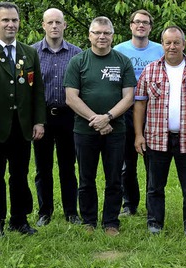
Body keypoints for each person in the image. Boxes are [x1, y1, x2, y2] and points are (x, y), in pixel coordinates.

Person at [0, 1, 46, 236]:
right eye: (5, 20)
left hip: (22, 127)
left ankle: (19, 219)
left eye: (14, 20)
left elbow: (38, 90)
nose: (10, 24)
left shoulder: (29, 52)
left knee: (20, 175)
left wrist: (39, 121)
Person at [133, 26, 186, 242]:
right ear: (162, 44)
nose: (172, 46)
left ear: (184, 44)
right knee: (154, 186)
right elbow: (140, 105)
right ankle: (154, 223)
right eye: (168, 42)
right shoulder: (150, 71)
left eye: (176, 42)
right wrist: (138, 135)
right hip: (156, 138)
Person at [64, 16, 136, 235]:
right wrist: (96, 120)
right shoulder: (78, 61)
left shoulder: (122, 61)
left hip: (116, 130)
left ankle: (111, 222)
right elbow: (70, 97)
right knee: (86, 178)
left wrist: (108, 117)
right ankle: (88, 221)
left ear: (112, 36)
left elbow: (129, 96)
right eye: (97, 33)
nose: (102, 37)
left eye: (106, 33)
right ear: (90, 35)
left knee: (114, 178)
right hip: (84, 131)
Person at [31, 8, 82, 227]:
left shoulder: (76, 53)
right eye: (50, 22)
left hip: (68, 117)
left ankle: (71, 211)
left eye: (58, 22)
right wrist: (35, 120)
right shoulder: (32, 53)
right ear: (43, 25)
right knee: (43, 168)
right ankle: (45, 211)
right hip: (42, 118)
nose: (54, 26)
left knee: (68, 166)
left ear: (64, 26)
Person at [113, 9, 164, 217]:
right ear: (131, 26)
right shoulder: (119, 50)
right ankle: (129, 204)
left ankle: (152, 204)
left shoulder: (160, 50)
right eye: (137, 22)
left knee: (152, 161)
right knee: (127, 162)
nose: (141, 25)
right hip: (125, 110)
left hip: (153, 112)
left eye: (145, 22)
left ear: (151, 27)